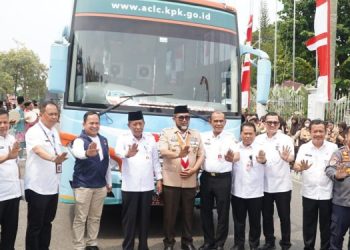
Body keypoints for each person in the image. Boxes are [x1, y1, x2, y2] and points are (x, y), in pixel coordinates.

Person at [159, 105, 205, 250]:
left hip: (190, 180)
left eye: (187, 117)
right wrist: (178, 154)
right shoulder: (167, 133)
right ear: (174, 119)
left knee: (188, 214)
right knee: (170, 215)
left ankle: (187, 242)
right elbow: (162, 150)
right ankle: (169, 243)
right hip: (171, 180)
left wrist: (194, 169)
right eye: (181, 117)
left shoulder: (196, 134)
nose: (184, 120)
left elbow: (201, 155)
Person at [115, 111, 162, 250]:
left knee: (145, 219)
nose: (138, 127)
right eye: (134, 124)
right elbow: (118, 152)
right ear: (129, 125)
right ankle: (128, 247)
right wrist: (127, 154)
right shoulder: (123, 138)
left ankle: (143, 246)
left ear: (144, 124)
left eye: (140, 123)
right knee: (129, 220)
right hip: (130, 187)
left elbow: (155, 161)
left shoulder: (150, 139)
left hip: (147, 187)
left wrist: (159, 179)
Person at [24, 100, 68, 250]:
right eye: (51, 114)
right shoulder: (33, 132)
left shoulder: (54, 132)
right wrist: (53, 158)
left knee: (47, 224)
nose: (54, 117)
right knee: (35, 226)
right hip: (37, 188)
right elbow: (38, 150)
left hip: (52, 187)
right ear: (42, 115)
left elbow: (59, 152)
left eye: (56, 114)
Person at [70, 111, 112, 250]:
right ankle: (79, 246)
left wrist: (109, 182)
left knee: (95, 217)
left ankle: (92, 243)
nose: (94, 126)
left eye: (97, 123)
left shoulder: (104, 139)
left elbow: (107, 163)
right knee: (81, 218)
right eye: (91, 123)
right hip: (83, 185)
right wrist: (87, 153)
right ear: (84, 124)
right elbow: (77, 153)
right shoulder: (79, 140)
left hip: (100, 186)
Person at [293, 119, 337, 250]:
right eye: (315, 131)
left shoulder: (333, 147)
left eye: (321, 131)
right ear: (310, 132)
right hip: (309, 193)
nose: (318, 134)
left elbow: (336, 166)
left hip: (327, 194)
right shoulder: (304, 147)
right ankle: (308, 247)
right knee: (308, 225)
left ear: (326, 131)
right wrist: (300, 168)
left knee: (326, 226)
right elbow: (296, 165)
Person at [199, 111, 239, 250]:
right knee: (205, 211)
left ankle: (219, 243)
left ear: (225, 122)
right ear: (210, 121)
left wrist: (232, 158)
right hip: (207, 177)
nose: (218, 124)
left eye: (221, 121)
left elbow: (237, 155)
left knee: (222, 212)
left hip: (223, 179)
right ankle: (208, 241)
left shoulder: (230, 137)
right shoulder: (203, 137)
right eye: (216, 121)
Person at [255, 112, 294, 250]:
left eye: (275, 123)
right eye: (269, 122)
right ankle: (269, 241)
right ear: (264, 123)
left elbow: (291, 158)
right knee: (266, 216)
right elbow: (256, 158)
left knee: (284, 216)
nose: (272, 125)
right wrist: (262, 160)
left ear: (279, 124)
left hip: (282, 186)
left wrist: (286, 158)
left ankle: (286, 243)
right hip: (264, 186)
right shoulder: (258, 139)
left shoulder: (286, 139)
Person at [231, 122, 266, 250]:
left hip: (255, 193)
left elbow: (265, 161)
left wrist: (263, 160)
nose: (247, 136)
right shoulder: (234, 147)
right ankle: (238, 245)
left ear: (255, 134)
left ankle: (254, 245)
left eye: (250, 133)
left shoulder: (261, 148)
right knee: (239, 222)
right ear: (241, 134)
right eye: (245, 133)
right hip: (238, 191)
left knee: (255, 222)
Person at [325, 126, 350, 250]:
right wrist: (337, 175)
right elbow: (329, 168)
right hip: (342, 204)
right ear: (346, 137)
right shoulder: (339, 153)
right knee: (336, 238)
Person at [0, 109, 22, 250]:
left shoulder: (12, 139)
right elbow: (9, 157)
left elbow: (17, 164)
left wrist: (19, 186)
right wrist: (8, 156)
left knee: (10, 234)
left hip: (13, 195)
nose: (3, 125)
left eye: (5, 122)